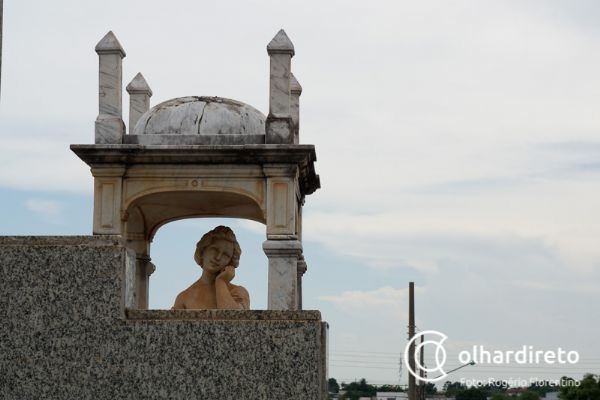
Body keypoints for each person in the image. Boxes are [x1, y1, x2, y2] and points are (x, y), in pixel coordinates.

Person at [172, 226, 250, 310]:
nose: (218, 257)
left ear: (230, 262)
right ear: (203, 250)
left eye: (225, 255)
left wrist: (221, 281)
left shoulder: (237, 292)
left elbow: (234, 320)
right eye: (215, 250)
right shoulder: (184, 298)